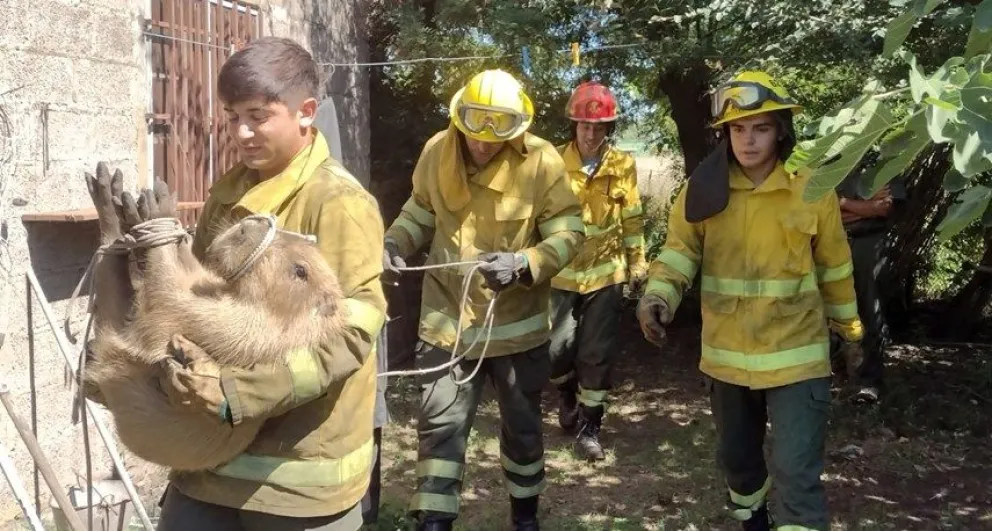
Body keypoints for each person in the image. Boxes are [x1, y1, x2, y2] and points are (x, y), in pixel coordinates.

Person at [154, 37, 387, 531]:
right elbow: (197, 298)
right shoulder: (228, 192)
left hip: (298, 476)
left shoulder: (339, 203)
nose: (241, 131)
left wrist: (240, 392)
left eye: (258, 115)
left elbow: (352, 335)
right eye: (232, 114)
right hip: (208, 461)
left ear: (305, 112)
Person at [635, 71, 864, 531]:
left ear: (781, 129)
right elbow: (679, 252)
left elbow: (836, 270)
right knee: (739, 467)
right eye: (737, 129)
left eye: (760, 128)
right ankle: (753, 521)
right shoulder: (703, 190)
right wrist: (658, 295)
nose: (748, 140)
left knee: (797, 474)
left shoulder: (812, 187)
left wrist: (851, 332)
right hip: (727, 362)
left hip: (797, 360)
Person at [383, 69, 585, 531]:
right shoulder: (437, 150)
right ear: (460, 117)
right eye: (476, 127)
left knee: (524, 431)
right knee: (439, 428)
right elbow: (420, 210)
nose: (484, 141)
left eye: (498, 130)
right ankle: (434, 521)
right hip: (446, 325)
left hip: (516, 330)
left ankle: (525, 516)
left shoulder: (542, 162)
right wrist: (395, 243)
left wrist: (523, 264)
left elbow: (569, 232)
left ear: (518, 127)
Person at [547, 81, 647, 460]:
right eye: (584, 126)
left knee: (596, 353)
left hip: (606, 274)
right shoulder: (552, 162)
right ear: (573, 125)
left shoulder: (623, 165)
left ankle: (590, 428)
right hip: (559, 273)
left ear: (609, 129)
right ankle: (566, 394)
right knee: (555, 352)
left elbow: (633, 217)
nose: (591, 134)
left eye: (599, 127)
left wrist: (637, 261)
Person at [832, 175, 905, 404]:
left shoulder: (884, 158)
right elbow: (818, 210)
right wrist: (866, 207)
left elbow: (884, 209)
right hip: (832, 243)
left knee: (870, 310)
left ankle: (870, 382)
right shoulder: (829, 159)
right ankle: (833, 374)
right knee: (829, 309)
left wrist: (841, 204)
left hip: (869, 244)